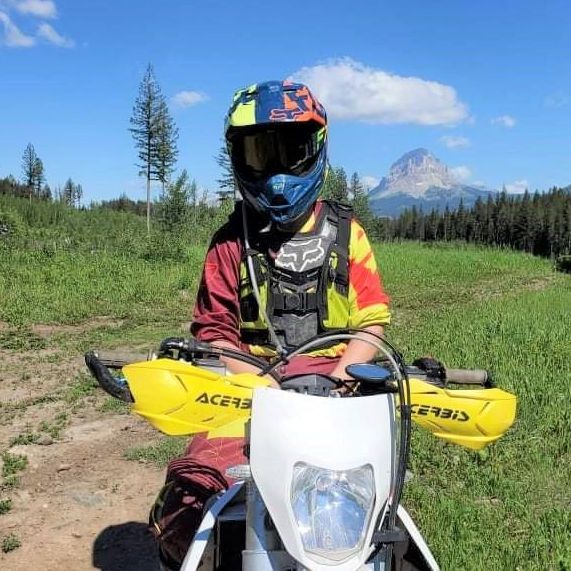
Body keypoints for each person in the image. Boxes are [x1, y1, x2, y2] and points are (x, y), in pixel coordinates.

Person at [150, 80, 391, 569]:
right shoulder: (228, 244)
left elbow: (372, 321)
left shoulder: (349, 235)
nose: (277, 174)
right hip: (250, 395)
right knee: (183, 508)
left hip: (339, 395)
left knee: (377, 508)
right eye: (262, 155)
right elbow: (213, 332)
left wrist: (347, 371)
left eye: (291, 151)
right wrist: (261, 384)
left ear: (315, 150)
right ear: (240, 160)